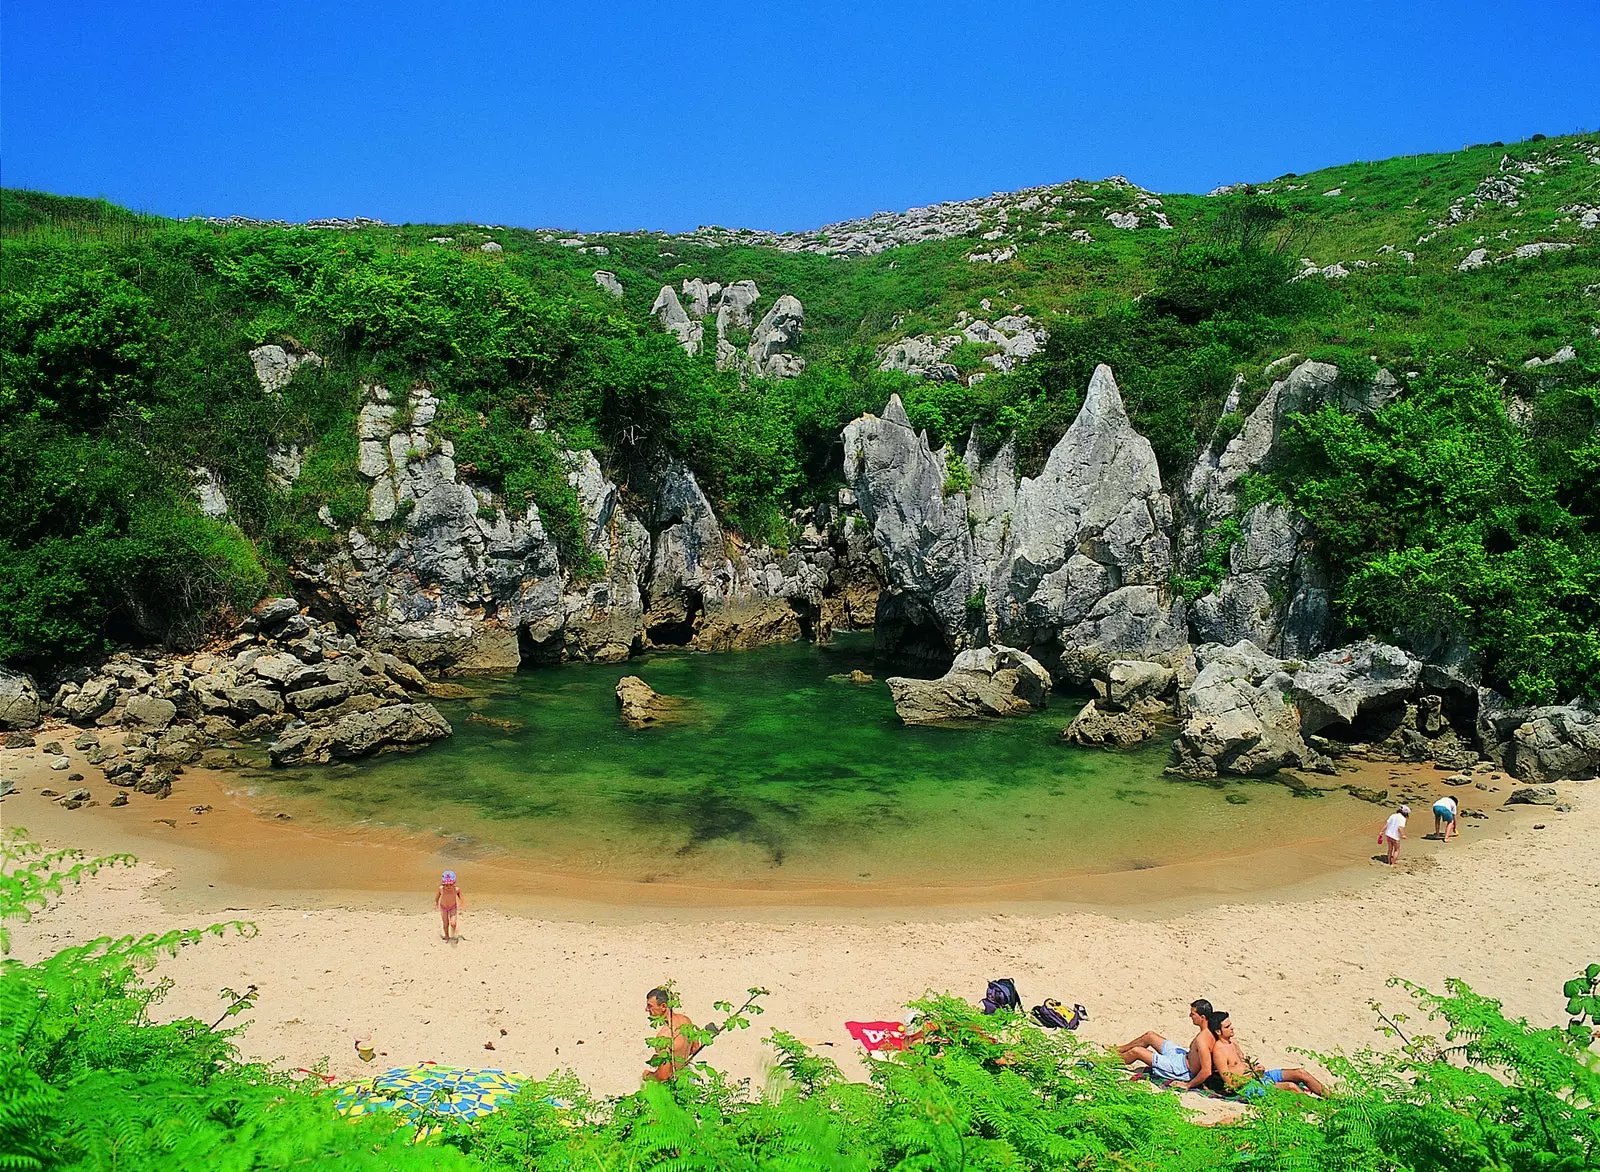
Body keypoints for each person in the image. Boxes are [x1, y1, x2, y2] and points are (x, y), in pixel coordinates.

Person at [1203, 1011, 1327, 1098]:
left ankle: (1334, 1099)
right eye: (1227, 1027)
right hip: (1247, 1086)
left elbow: (1243, 1064)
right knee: (1291, 1087)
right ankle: (1318, 1108)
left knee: (1301, 1073)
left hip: (1258, 1076)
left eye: (1231, 1024)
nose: (1232, 1028)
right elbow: (1229, 1084)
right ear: (1218, 1031)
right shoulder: (1219, 1052)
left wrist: (1256, 1068)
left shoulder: (1233, 1042)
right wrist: (1253, 1075)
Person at [1116, 998, 1217, 1089]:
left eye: (1193, 1014)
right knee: (1150, 1036)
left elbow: (1206, 1071)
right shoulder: (1207, 1032)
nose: (1190, 1015)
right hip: (1182, 1057)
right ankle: (1120, 1049)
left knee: (1137, 1051)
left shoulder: (1203, 1040)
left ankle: (1112, 1061)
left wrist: (1187, 1085)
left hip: (1181, 1069)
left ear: (1202, 1017)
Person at [642, 987, 703, 1081]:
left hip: (673, 1082)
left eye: (650, 1006)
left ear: (663, 1006)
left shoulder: (664, 1037)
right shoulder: (686, 1021)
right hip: (686, 1075)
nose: (646, 1009)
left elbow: (663, 1076)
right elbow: (695, 1048)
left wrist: (648, 1075)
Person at [435, 870, 463, 941]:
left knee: (453, 923)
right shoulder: (441, 889)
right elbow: (437, 897)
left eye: (450, 884)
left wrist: (461, 903)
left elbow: (460, 897)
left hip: (452, 907)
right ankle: (447, 936)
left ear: (453, 883)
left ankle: (453, 933)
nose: (448, 887)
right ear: (443, 884)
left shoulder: (456, 889)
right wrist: (436, 903)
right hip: (443, 907)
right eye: (446, 885)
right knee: (445, 923)